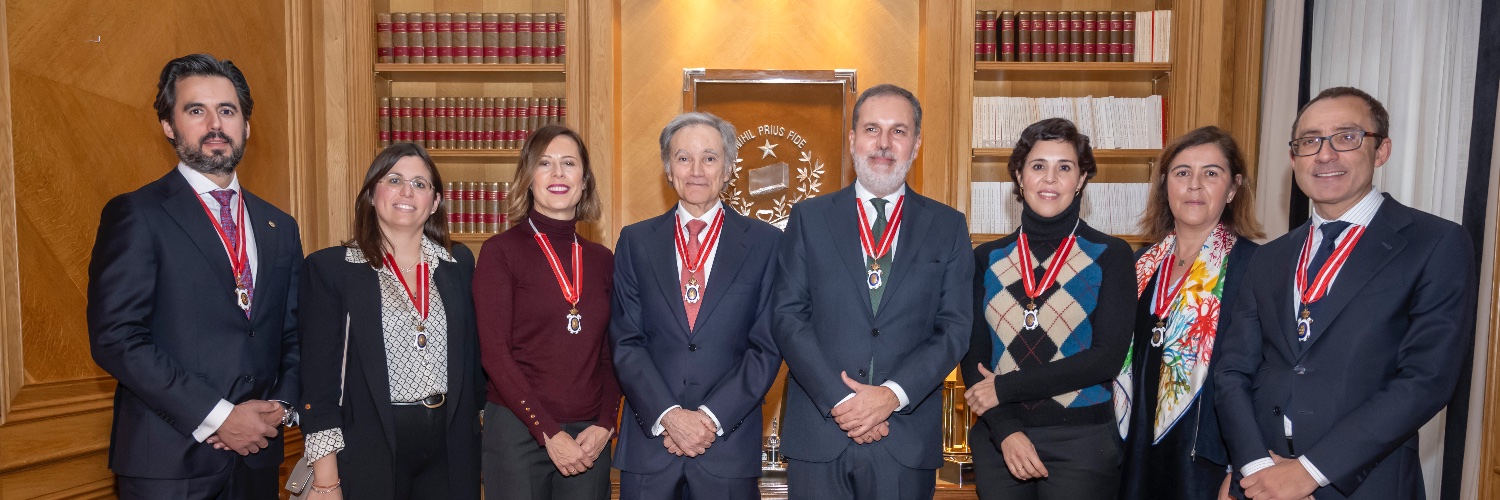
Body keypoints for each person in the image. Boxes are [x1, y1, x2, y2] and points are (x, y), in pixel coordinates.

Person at [1216, 87, 1477, 500]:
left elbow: (1426, 379)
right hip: (1261, 482)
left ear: (1381, 150)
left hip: (1365, 483)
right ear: (1294, 157)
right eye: (1310, 141)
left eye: (1346, 137)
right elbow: (1232, 371)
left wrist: (1308, 473)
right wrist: (1254, 467)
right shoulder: (1269, 257)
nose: (1325, 154)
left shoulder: (1435, 243)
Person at [86, 53, 303, 499]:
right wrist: (220, 416)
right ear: (169, 126)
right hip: (168, 463)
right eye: (195, 110)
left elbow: (295, 334)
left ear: (246, 126)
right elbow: (117, 337)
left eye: (227, 110)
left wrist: (279, 407)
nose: (215, 125)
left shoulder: (279, 225)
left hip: (258, 457)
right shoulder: (138, 214)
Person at [772, 83, 973, 500]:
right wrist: (843, 401)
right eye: (871, 129)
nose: (883, 144)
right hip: (821, 432)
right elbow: (788, 317)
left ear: (915, 145)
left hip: (904, 437)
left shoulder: (948, 226)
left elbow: (954, 328)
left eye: (898, 131)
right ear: (852, 140)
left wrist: (890, 396)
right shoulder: (809, 219)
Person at [610, 112, 783, 500]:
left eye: (709, 157)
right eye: (683, 158)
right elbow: (626, 341)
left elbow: (767, 346)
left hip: (727, 446)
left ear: (728, 169)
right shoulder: (636, 242)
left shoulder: (765, 244)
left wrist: (708, 419)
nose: (696, 170)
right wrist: (670, 417)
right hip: (651, 445)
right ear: (668, 169)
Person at [961, 117, 1135, 499]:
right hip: (1000, 441)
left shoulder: (1111, 255)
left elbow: (1106, 358)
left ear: (1083, 178)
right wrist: (1006, 431)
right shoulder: (985, 259)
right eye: (1038, 166)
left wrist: (1005, 387)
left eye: (1065, 167)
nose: (1050, 179)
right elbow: (973, 359)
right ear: (1020, 178)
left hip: (1082, 444)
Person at [296, 143, 482, 499]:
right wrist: (326, 480)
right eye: (394, 179)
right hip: (369, 446)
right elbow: (319, 384)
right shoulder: (331, 269)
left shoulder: (459, 265)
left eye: (420, 184)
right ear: (370, 194)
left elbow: (473, 366)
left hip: (451, 447)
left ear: (435, 203)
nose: (407, 192)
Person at [1115, 126, 1263, 500]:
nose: (1194, 185)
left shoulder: (1256, 267)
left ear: (1232, 189)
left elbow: (1263, 379)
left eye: (1211, 173)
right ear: (1166, 185)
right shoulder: (1137, 266)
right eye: (1183, 173)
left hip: (1205, 461)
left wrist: (1241, 466)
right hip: (1132, 450)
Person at [474, 124, 619, 500]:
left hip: (589, 436)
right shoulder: (500, 252)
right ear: (528, 178)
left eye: (568, 163)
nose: (558, 174)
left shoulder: (603, 260)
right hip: (518, 432)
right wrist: (548, 432)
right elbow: (495, 354)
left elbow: (611, 353)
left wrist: (606, 423)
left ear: (584, 181)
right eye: (545, 163)